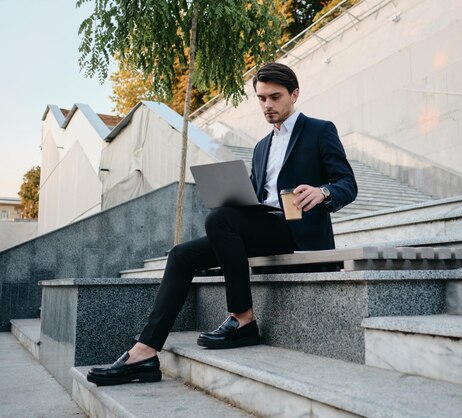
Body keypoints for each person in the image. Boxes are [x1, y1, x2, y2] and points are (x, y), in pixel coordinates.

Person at [87, 62, 358, 386]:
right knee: (181, 255)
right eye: (261, 99)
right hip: (263, 227)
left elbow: (347, 184)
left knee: (221, 220)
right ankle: (145, 351)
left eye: (275, 97)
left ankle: (242, 318)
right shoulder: (261, 147)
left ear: (294, 94)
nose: (267, 105)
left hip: (297, 230)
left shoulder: (319, 130)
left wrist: (323, 191)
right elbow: (256, 196)